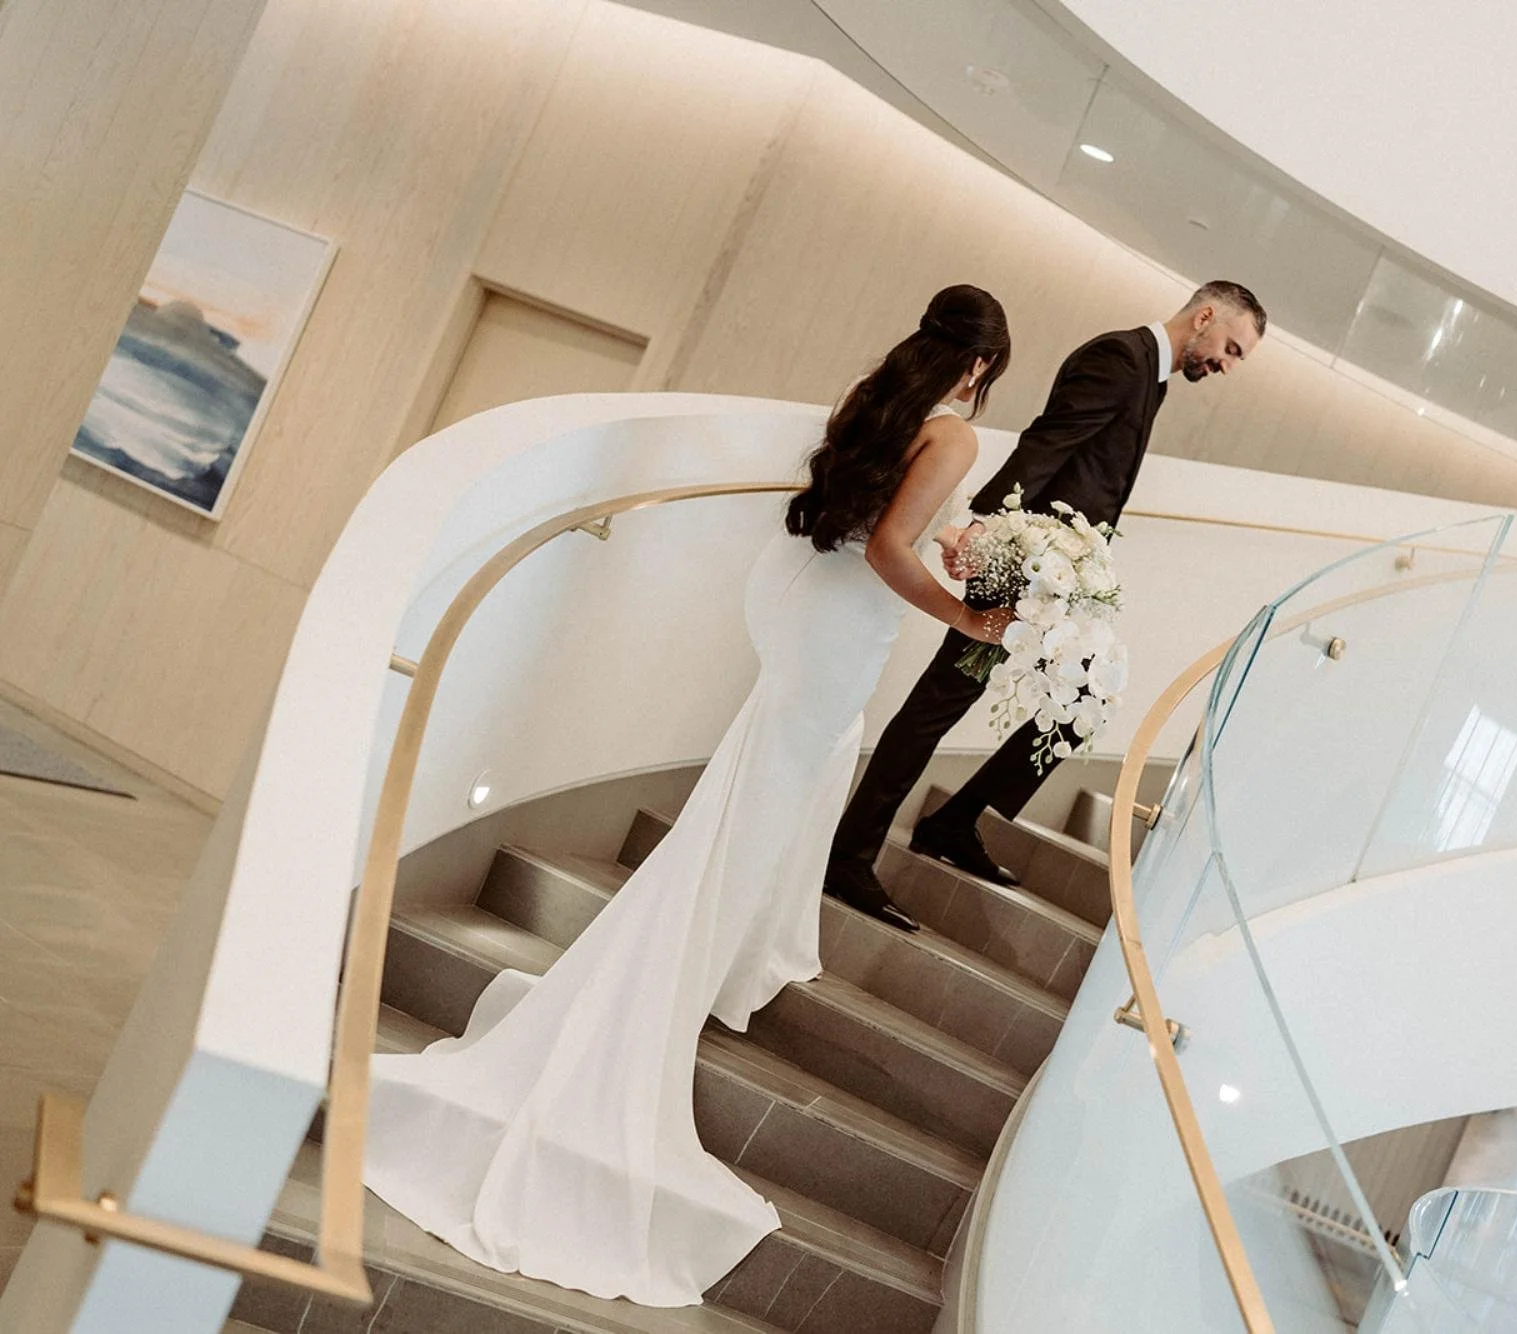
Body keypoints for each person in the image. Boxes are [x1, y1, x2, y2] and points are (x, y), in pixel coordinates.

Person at [363, 285, 1014, 1305]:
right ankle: (678, 964)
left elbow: (868, 516)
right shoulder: (954, 434)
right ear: (981, 367)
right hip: (843, 618)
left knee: (758, 789)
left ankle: (704, 945)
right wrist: (964, 618)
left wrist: (950, 547)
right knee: (769, 800)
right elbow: (891, 546)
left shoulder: (873, 393)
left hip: (790, 590)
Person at [823, 281, 1267, 929]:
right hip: (1020, 556)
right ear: (1203, 316)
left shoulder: (1154, 376)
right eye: (1230, 347)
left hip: (1063, 572)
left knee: (1086, 697)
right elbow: (1046, 443)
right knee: (937, 706)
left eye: (1237, 359)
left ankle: (954, 820)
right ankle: (852, 853)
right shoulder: (1119, 358)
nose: (1227, 364)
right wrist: (980, 525)